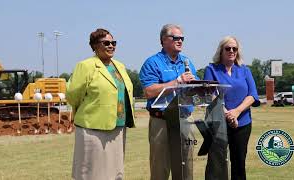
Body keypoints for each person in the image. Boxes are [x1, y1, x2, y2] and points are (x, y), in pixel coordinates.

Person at [66, 28, 135, 180]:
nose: (111, 46)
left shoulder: (120, 66)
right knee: (93, 172)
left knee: (115, 172)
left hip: (118, 126)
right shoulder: (85, 66)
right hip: (93, 128)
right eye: (106, 43)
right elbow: (72, 95)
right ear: (95, 46)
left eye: (113, 43)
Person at [139, 24, 198, 180]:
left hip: (185, 119)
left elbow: (197, 88)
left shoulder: (187, 62)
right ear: (164, 40)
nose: (180, 41)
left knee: (186, 168)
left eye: (182, 38)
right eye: (176, 38)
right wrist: (177, 81)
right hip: (161, 121)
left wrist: (200, 87)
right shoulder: (152, 63)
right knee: (160, 168)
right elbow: (148, 91)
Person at [203, 36, 260, 180]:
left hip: (243, 123)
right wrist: (228, 115)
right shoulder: (211, 69)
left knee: (239, 164)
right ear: (221, 51)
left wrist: (236, 112)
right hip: (217, 123)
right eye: (228, 48)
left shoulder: (245, 70)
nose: (231, 51)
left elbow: (252, 95)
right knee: (216, 163)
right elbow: (212, 94)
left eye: (234, 48)